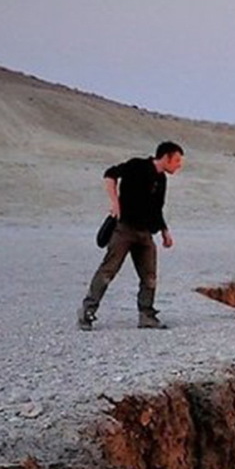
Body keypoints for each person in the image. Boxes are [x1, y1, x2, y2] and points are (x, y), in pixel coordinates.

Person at [79, 141, 185, 330]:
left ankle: (146, 315)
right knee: (107, 272)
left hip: (145, 233)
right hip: (124, 229)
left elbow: (157, 208)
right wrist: (115, 202)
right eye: (176, 160)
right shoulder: (137, 166)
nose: (179, 165)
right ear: (166, 157)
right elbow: (110, 174)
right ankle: (87, 312)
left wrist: (164, 231)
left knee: (149, 276)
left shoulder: (161, 179)